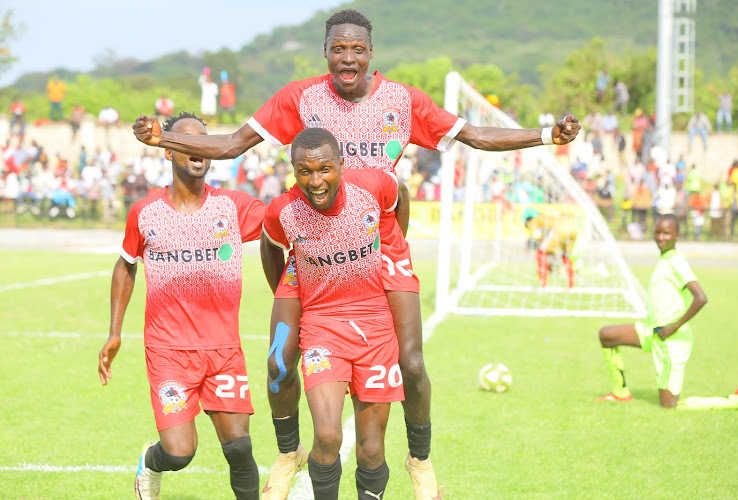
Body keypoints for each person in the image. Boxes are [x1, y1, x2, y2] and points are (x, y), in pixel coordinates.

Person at [132, 9, 580, 499]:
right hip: (313, 243)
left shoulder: (402, 101)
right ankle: (287, 452)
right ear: (326, 53)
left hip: (380, 246)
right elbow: (232, 144)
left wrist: (545, 136)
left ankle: (420, 459)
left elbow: (474, 136)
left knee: (410, 364)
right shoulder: (299, 98)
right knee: (280, 361)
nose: (348, 58)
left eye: (358, 49)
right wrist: (163, 139)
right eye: (339, 49)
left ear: (371, 54)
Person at [98, 112, 267, 500]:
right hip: (168, 352)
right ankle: (151, 463)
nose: (197, 149)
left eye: (203, 142)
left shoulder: (234, 207)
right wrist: (114, 333)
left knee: (240, 449)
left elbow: (282, 220)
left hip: (224, 350)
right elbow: (126, 265)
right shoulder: (145, 212)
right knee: (179, 452)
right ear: (168, 151)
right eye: (186, 141)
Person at [262, 127, 404, 500]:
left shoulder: (373, 187)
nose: (315, 181)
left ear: (342, 164)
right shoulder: (284, 210)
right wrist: (288, 288)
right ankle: (289, 452)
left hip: (375, 323)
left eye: (325, 169)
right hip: (322, 323)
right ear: (293, 169)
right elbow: (271, 243)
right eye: (304, 171)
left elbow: (398, 203)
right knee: (327, 435)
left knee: (372, 450)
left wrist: (393, 251)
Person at [596, 214, 708, 408]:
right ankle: (621, 392)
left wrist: (674, 326)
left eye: (666, 233)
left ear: (677, 236)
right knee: (607, 335)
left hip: (669, 339)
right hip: (653, 331)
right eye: (657, 232)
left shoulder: (676, 262)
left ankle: (737, 400)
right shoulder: (664, 259)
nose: (661, 237)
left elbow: (701, 298)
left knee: (670, 406)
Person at [522, 208, 577, 288]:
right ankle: (571, 285)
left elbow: (537, 235)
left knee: (541, 253)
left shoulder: (533, 221)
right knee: (566, 256)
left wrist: (541, 244)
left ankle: (543, 284)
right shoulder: (546, 216)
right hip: (573, 228)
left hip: (559, 230)